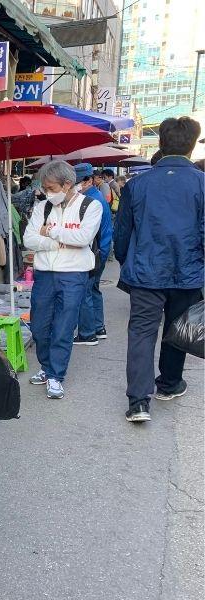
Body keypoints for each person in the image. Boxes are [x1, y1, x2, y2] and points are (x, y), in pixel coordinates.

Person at [114, 116, 204, 423]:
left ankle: (138, 401)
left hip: (145, 272)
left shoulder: (137, 184)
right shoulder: (202, 184)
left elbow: (123, 232)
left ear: (161, 144)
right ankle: (168, 384)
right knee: (177, 329)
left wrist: (125, 260)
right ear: (191, 146)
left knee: (141, 332)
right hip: (188, 272)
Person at [23, 160, 103, 400]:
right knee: (39, 326)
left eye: (51, 188)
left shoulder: (90, 206)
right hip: (44, 275)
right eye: (45, 188)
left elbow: (83, 237)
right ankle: (46, 367)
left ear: (68, 184)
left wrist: (50, 232)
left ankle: (56, 375)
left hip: (74, 276)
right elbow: (29, 239)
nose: (47, 193)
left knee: (63, 326)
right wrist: (58, 241)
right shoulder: (43, 207)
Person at [72, 163, 113, 346]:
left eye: (78, 182)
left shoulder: (91, 201)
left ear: (88, 180)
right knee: (93, 290)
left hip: (95, 253)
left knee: (85, 292)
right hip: (100, 251)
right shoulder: (95, 197)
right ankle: (98, 327)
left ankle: (87, 333)